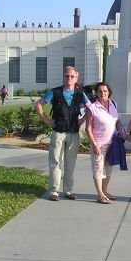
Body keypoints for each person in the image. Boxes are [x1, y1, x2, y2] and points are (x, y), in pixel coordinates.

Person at [35, 66, 90, 202]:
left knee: (70, 163)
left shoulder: (80, 94)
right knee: (55, 161)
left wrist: (82, 120)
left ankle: (68, 190)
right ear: (63, 77)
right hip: (58, 131)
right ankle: (54, 191)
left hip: (73, 133)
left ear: (76, 78)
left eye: (72, 76)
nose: (69, 79)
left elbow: (91, 108)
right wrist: (47, 120)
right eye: (67, 76)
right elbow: (39, 105)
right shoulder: (55, 92)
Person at [85, 82, 124, 204]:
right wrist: (94, 144)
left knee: (108, 169)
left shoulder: (113, 104)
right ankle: (100, 195)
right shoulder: (92, 108)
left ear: (109, 92)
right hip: (99, 144)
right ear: (96, 93)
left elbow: (117, 120)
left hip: (112, 143)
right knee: (98, 169)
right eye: (100, 91)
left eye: (105, 91)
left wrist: (120, 131)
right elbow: (88, 128)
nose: (103, 93)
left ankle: (105, 191)